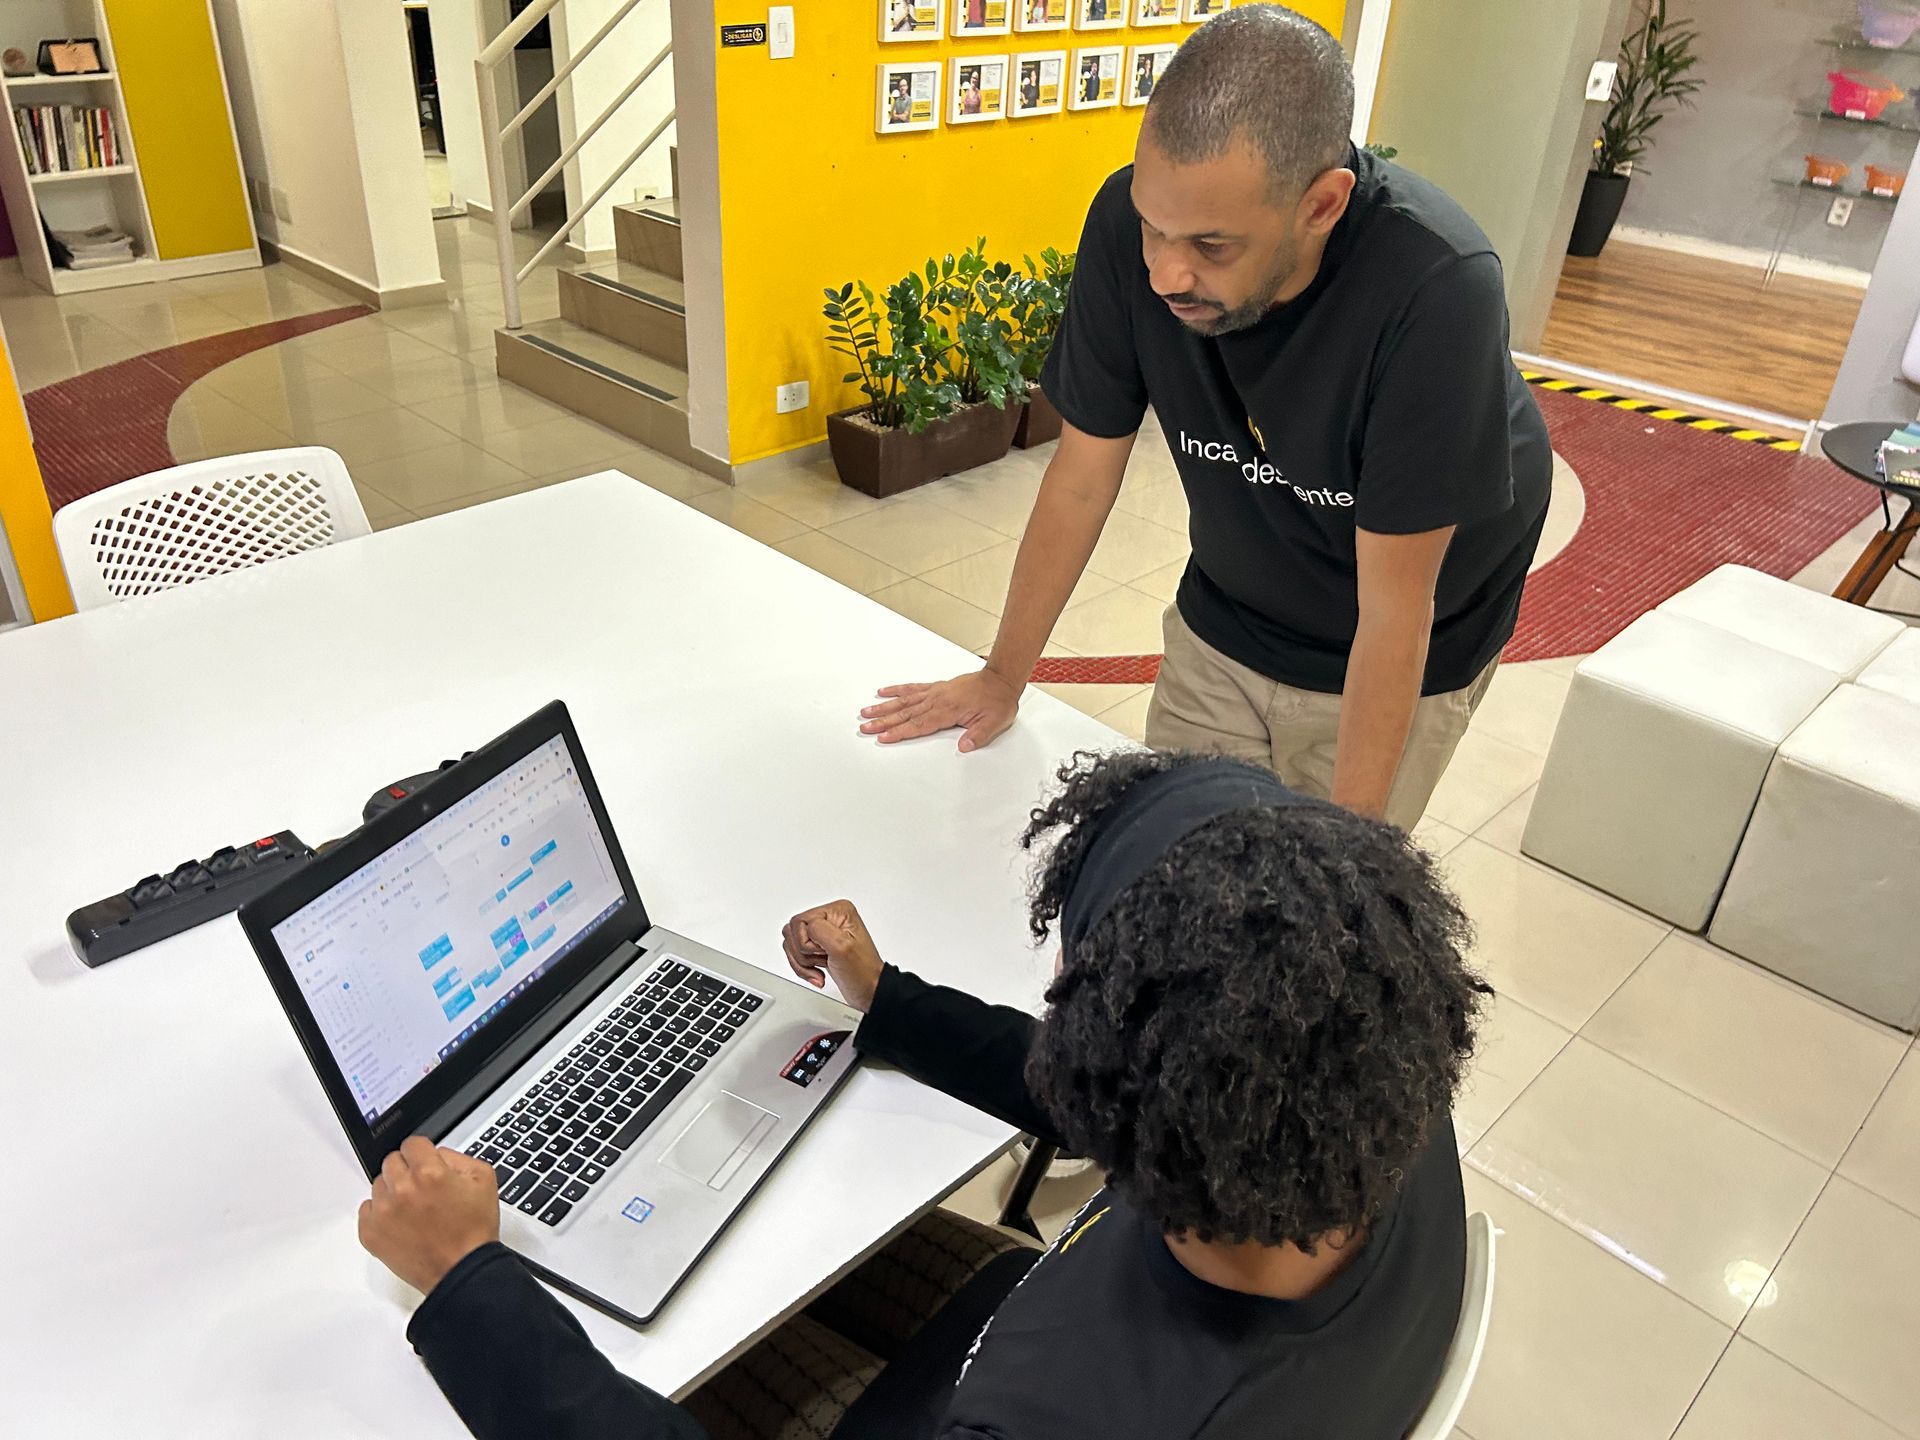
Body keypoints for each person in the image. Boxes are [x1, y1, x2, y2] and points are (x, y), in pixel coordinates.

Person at [357, 749, 1486, 1440]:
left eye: (1079, 989)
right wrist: (887, 999)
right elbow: (1133, 1086)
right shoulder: (1366, 1060)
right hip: (1115, 1336)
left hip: (978, 1393)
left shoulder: (1061, 1419)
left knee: (694, 1358)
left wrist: (467, 1287)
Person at [859, 6, 1553, 835]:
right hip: (1231, 599)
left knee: (1315, 908)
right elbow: (1081, 478)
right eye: (1154, 228)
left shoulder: (1436, 286)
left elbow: (1394, 608)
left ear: (1322, 205)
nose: (1164, 271)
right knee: (1177, 867)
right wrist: (1002, 677)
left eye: (1212, 246)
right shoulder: (1128, 224)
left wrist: (1348, 862)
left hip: (1402, 629)